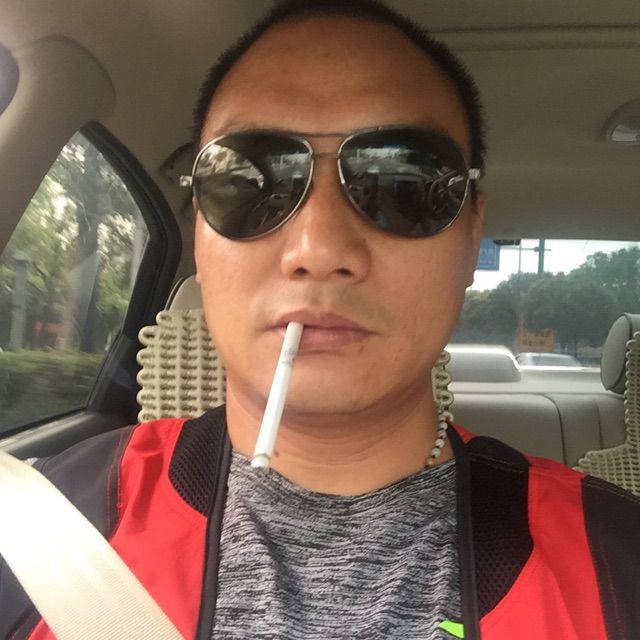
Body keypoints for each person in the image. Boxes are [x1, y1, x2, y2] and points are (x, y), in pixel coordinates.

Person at [1, 1, 639, 639]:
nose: (319, 248)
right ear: (198, 230)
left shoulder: (620, 566)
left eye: (404, 183)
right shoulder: (40, 534)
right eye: (250, 182)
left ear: (473, 236)